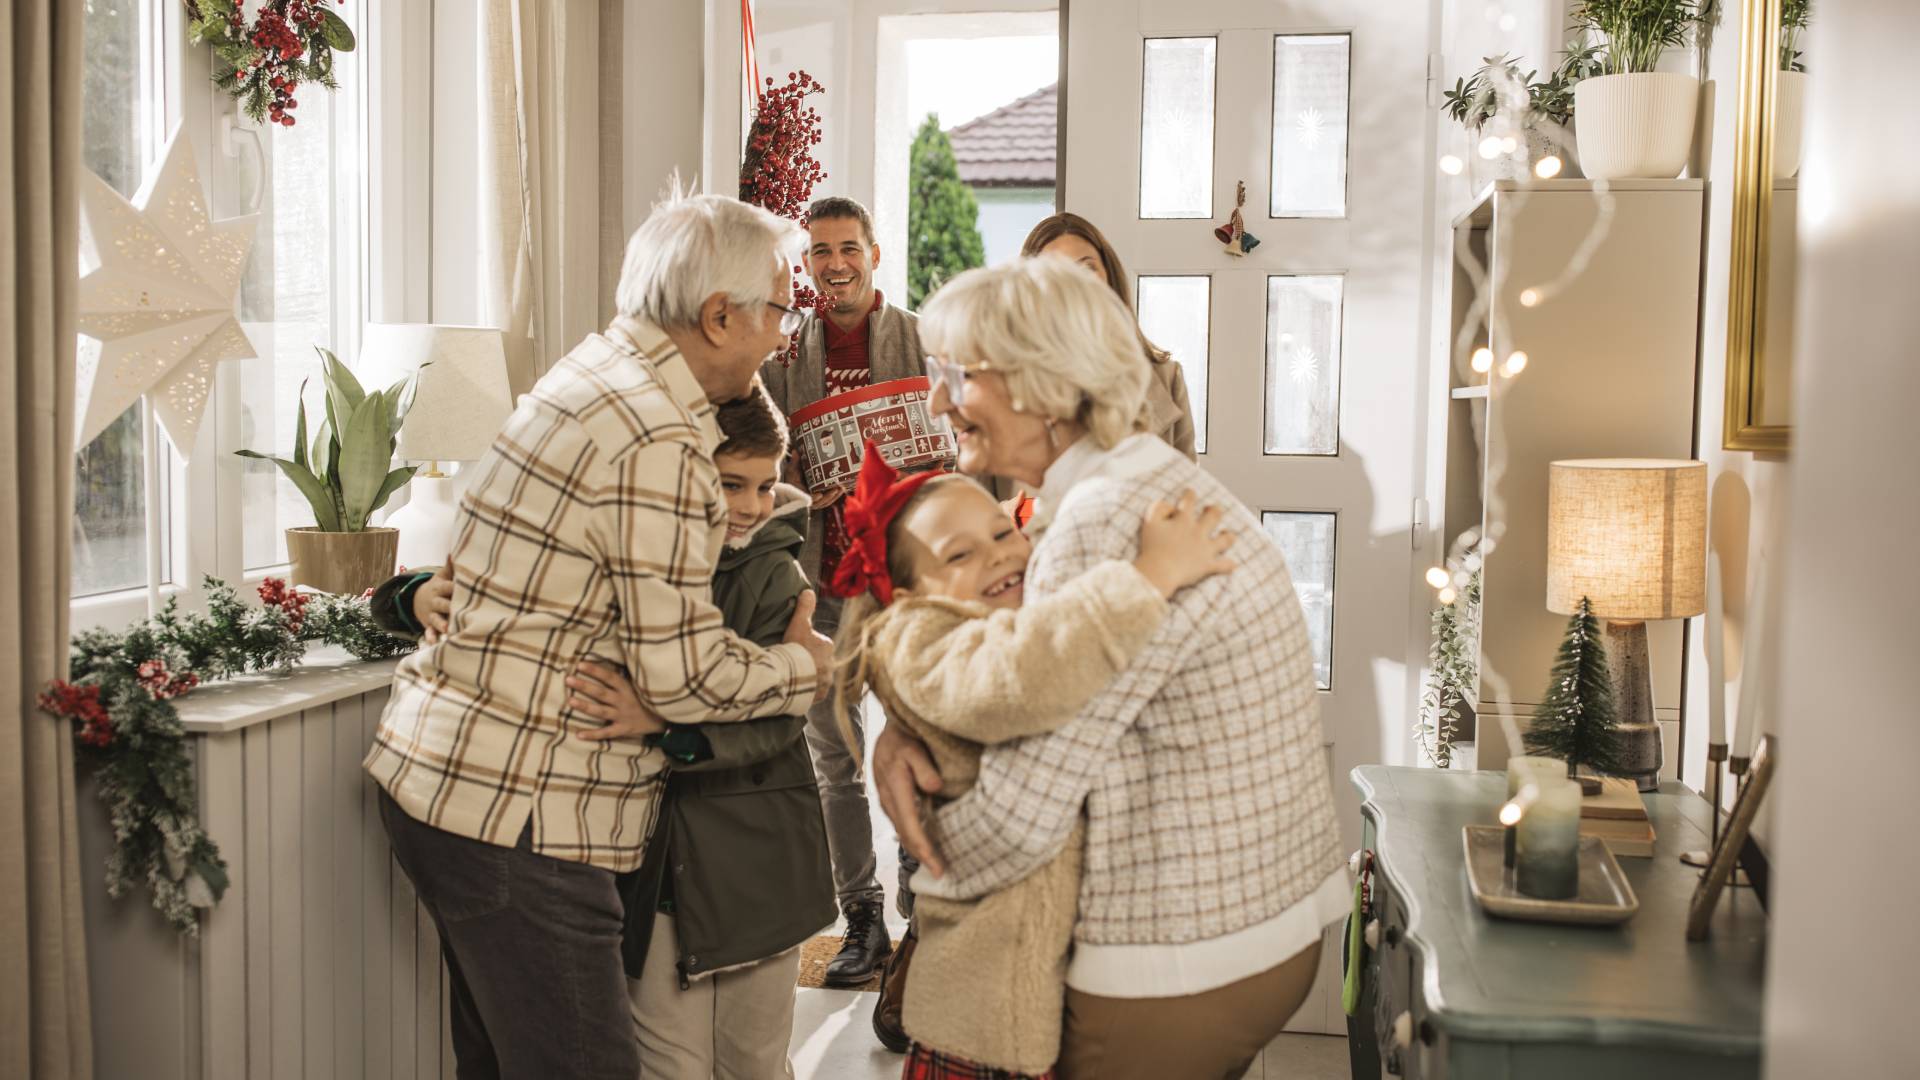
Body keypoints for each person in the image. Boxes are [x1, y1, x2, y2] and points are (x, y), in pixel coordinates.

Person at [362, 192, 834, 1079]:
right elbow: (685, 675)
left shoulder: (594, 373)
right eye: (779, 308)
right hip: (522, 814)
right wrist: (799, 669)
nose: (784, 333)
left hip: (454, 785)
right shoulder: (654, 433)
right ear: (719, 315)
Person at [872, 257, 1350, 1079]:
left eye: (956, 372)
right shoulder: (1149, 480)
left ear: (1044, 382)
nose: (938, 398)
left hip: (1181, 958)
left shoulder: (1102, 522)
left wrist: (926, 846)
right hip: (1269, 923)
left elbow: (1023, 818)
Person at [825, 446, 1234, 1078]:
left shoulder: (1006, 613)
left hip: (1052, 992)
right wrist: (1150, 574)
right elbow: (1027, 675)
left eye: (1001, 530)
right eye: (959, 555)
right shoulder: (923, 643)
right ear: (906, 597)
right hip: (987, 1015)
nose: (998, 554)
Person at [550, 386, 833, 1080]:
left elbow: (779, 718)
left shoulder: (776, 575)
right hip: (657, 863)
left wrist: (666, 727)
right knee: (666, 1064)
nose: (751, 505)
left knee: (754, 1063)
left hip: (755, 859)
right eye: (730, 482)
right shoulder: (631, 563)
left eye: (766, 485)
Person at [758, 195, 919, 989]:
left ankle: (925, 914)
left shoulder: (923, 340)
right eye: (820, 252)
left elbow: (958, 444)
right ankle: (862, 920)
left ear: (875, 254)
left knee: (922, 748)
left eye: (848, 248)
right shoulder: (781, 360)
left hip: (906, 589)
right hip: (819, 592)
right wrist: (796, 484)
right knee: (835, 763)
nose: (835, 264)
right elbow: (754, 467)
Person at [1020, 212, 1197, 459]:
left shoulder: (1167, 377)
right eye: (1056, 272)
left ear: (1109, 277)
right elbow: (964, 493)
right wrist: (996, 501)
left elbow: (1188, 491)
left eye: (1087, 268)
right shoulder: (997, 382)